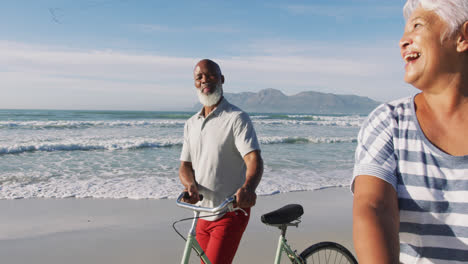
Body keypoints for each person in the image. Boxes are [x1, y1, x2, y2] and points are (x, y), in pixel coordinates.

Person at [351, 0, 468, 263]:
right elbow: (373, 208)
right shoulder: (390, 122)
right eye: (404, 30)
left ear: (463, 37)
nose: (403, 41)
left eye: (418, 25)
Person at [179, 59, 263, 264]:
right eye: (199, 77)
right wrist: (190, 186)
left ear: (222, 79)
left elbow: (253, 158)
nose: (205, 80)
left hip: (231, 211)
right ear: (195, 83)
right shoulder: (191, 124)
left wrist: (248, 188)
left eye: (211, 75)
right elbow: (185, 165)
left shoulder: (237, 118)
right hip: (202, 211)